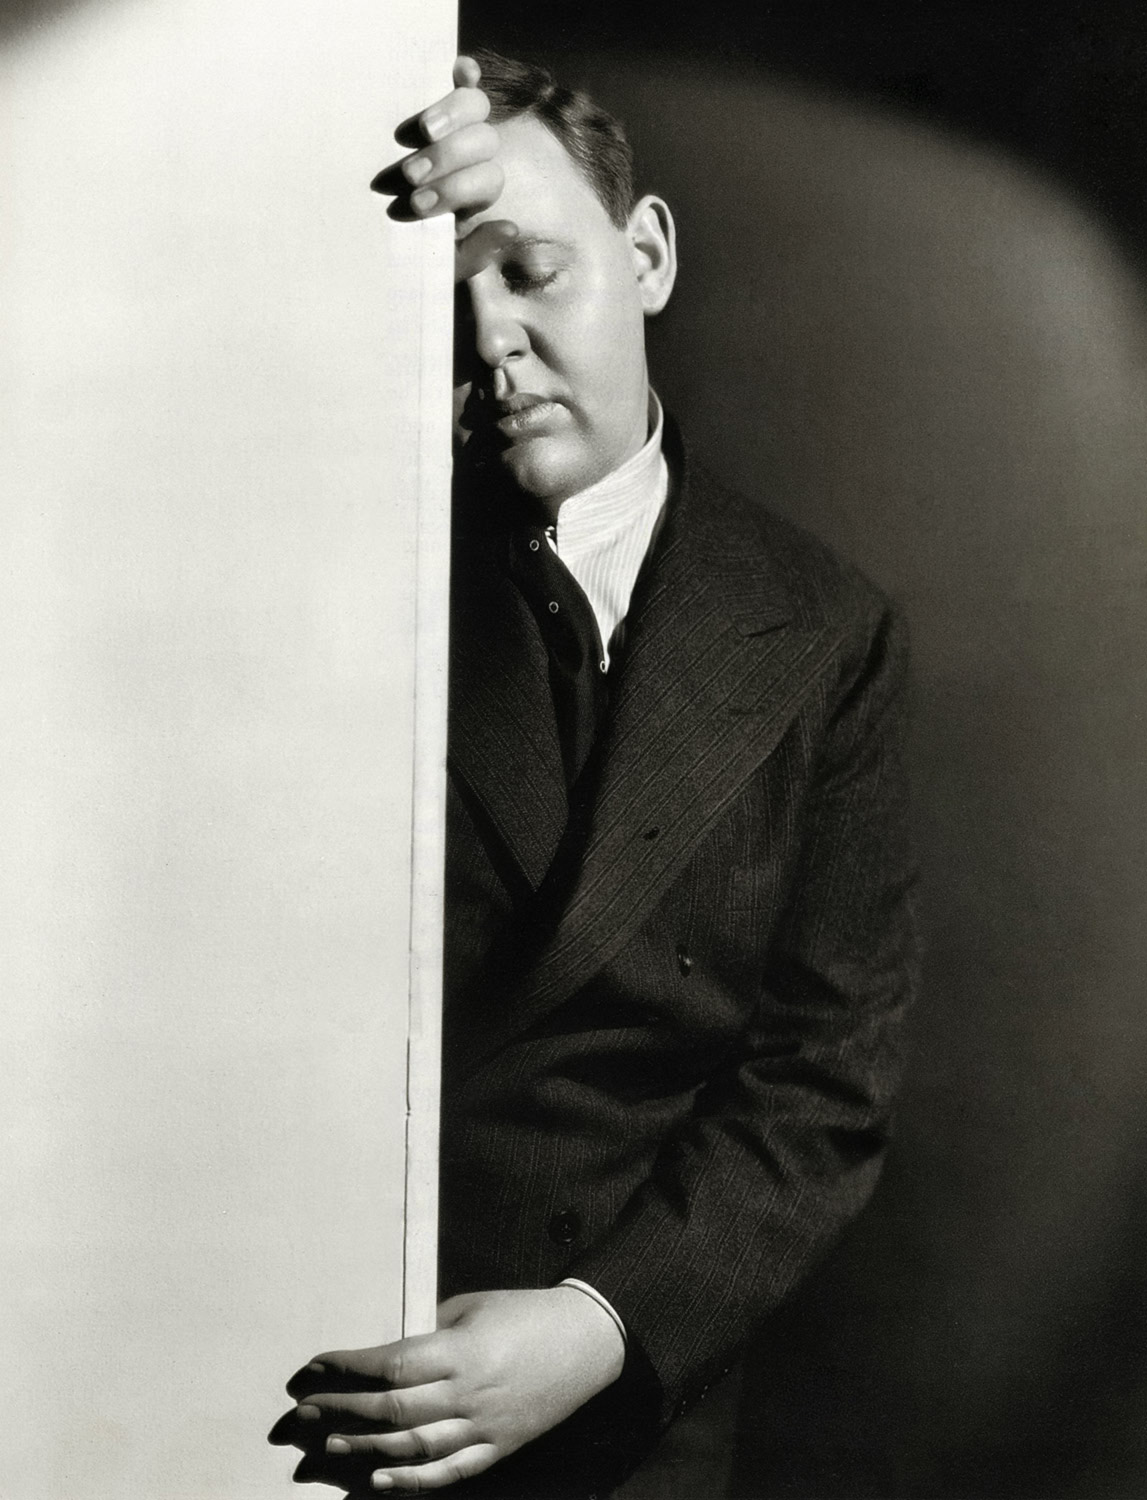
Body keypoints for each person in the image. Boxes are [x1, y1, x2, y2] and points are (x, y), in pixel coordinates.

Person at [270, 51, 918, 1498]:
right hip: (320, 1364)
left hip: (627, 1412)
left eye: (529, 270)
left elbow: (822, 1083)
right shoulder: (344, 585)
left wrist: (599, 1327)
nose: (489, 338)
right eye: (448, 298)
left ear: (648, 256)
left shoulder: (826, 632)